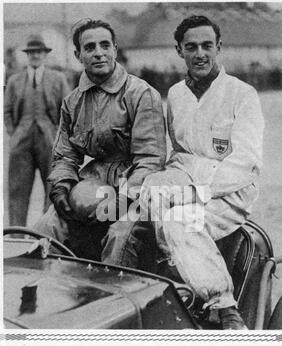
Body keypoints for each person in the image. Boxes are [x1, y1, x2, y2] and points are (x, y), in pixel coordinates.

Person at [140, 15, 264, 329]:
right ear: (179, 50)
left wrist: (198, 192)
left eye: (207, 45)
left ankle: (225, 307)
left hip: (229, 194)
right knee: (147, 189)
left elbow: (247, 162)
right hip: (189, 180)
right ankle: (173, 276)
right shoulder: (177, 94)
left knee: (180, 218)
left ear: (218, 47)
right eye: (191, 47)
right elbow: (179, 153)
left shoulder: (242, 94)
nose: (200, 54)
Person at [34, 19, 166, 267]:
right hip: (92, 182)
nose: (98, 53)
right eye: (90, 47)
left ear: (115, 49)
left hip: (137, 188)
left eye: (105, 45)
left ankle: (115, 301)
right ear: (78, 55)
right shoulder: (73, 102)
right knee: (45, 228)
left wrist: (121, 201)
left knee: (120, 237)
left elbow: (150, 160)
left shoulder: (141, 94)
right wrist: (61, 187)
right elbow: (65, 155)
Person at [4, 35, 70, 226]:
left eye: (39, 52)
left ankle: (48, 234)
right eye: (31, 52)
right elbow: (6, 110)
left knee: (53, 188)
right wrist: (13, 133)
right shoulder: (15, 80)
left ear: (45, 54)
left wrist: (58, 134)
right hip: (21, 141)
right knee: (17, 189)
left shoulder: (57, 78)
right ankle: (16, 236)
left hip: (49, 139)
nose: (35, 56)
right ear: (27, 55)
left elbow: (67, 111)